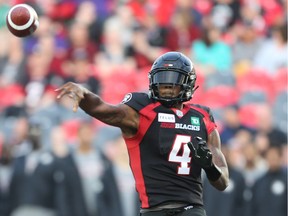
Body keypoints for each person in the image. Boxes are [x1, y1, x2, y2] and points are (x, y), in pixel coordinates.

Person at [56, 51, 229, 216]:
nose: (166, 87)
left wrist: (209, 167)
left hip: (192, 209)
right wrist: (85, 96)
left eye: (173, 81)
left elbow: (223, 182)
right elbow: (105, 110)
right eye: (162, 80)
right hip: (154, 210)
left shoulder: (203, 117)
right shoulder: (142, 109)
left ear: (188, 83)